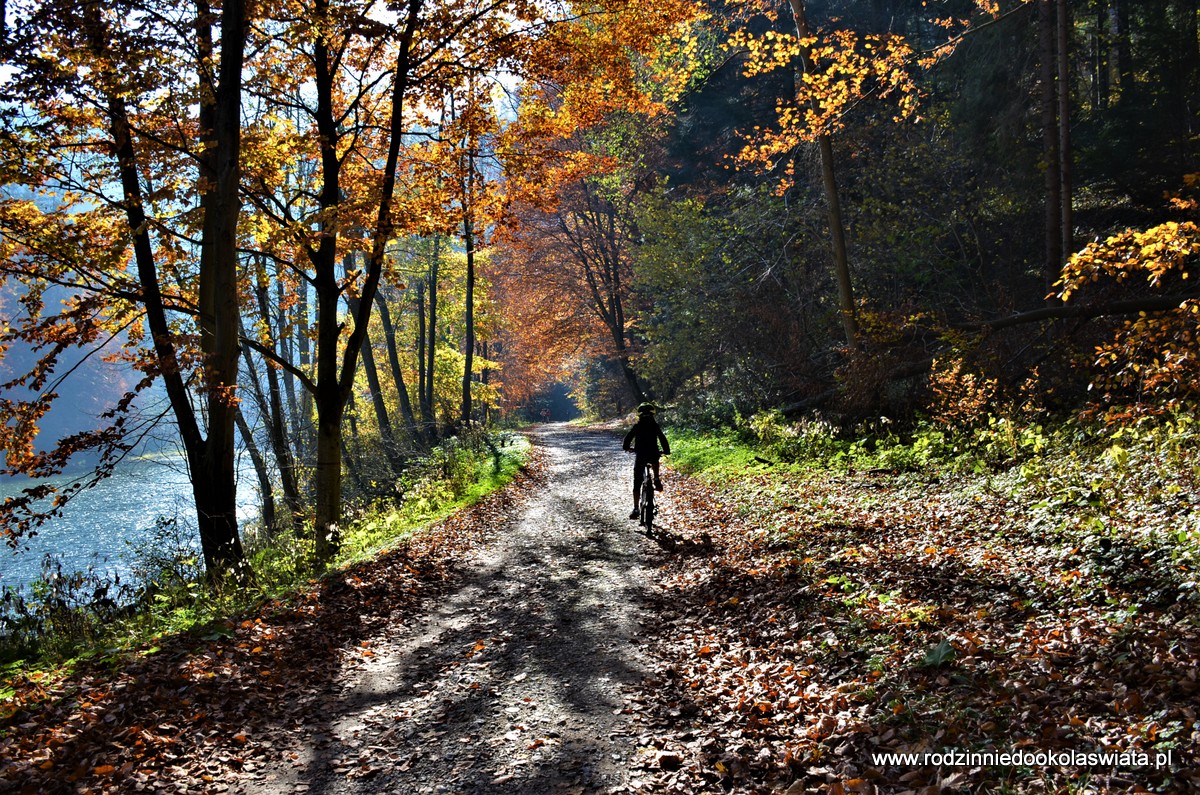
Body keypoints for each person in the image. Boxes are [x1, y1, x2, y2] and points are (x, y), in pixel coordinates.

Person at [623, 402, 670, 520]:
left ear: (640, 415)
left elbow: (628, 437)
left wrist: (626, 447)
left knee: (637, 482)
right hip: (653, 452)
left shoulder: (637, 426)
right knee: (655, 459)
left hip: (641, 455)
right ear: (652, 414)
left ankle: (635, 508)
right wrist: (666, 450)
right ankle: (656, 478)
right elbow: (662, 438)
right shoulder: (655, 426)